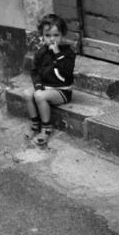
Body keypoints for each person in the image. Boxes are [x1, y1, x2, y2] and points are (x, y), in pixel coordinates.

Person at [23, 13, 76, 145]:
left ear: (62, 35)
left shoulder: (68, 53)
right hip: (45, 87)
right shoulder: (41, 53)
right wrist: (39, 87)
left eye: (56, 35)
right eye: (47, 35)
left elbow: (66, 72)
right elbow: (35, 72)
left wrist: (58, 54)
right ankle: (35, 123)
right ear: (42, 36)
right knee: (28, 94)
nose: (52, 39)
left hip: (61, 91)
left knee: (40, 96)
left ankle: (46, 128)